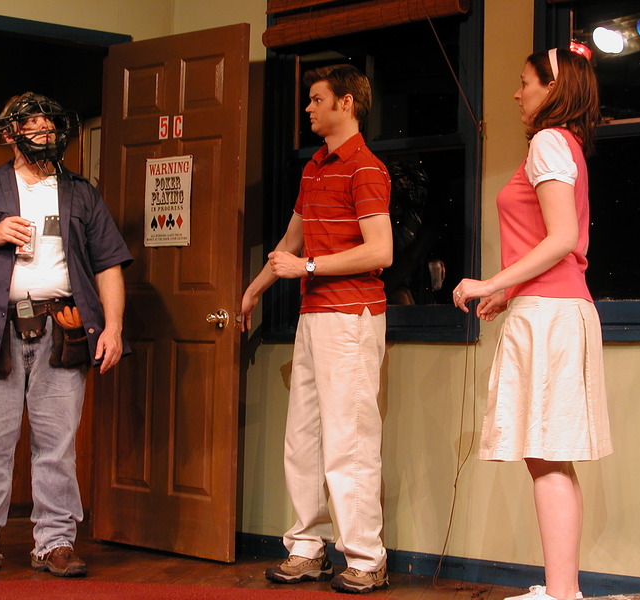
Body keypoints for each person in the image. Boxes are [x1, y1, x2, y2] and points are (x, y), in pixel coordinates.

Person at [0, 92, 133, 578]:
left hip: (62, 330)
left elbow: (108, 263)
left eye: (50, 126)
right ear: (10, 134)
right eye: (34, 126)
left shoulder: (81, 193)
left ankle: (55, 542)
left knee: (57, 445)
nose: (45, 133)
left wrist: (113, 327)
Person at [452, 48, 613, 600]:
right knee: (549, 459)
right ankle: (563, 589)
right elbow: (555, 241)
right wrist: (509, 291)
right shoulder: (564, 145)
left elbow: (563, 237)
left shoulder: (548, 141)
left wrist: (490, 282)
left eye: (526, 83)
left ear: (554, 89)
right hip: (551, 308)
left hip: (551, 315)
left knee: (546, 459)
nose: (518, 93)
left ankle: (563, 593)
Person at [239, 64, 393, 594]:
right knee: (302, 437)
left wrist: (307, 268)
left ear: (346, 103)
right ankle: (307, 547)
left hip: (352, 315)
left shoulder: (365, 168)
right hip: (315, 313)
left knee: (350, 439)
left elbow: (380, 250)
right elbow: (293, 239)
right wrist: (256, 288)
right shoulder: (315, 166)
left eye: (317, 99)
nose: (308, 108)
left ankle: (367, 557)